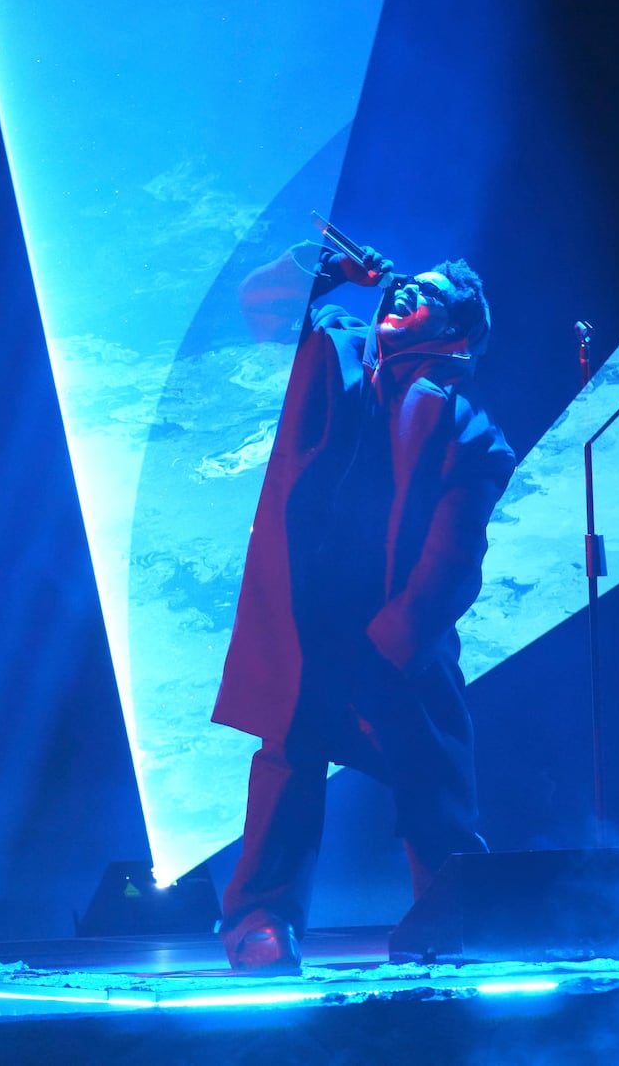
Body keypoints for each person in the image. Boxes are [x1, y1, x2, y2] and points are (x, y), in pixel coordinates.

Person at [212, 237, 516, 973]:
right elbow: (258, 306)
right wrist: (325, 266)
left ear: (457, 333)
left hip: (395, 627)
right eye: (406, 284)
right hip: (305, 611)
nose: (407, 291)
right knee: (288, 757)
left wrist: (396, 636)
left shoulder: (470, 432)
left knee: (431, 773)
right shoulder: (333, 349)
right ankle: (261, 920)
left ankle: (454, 912)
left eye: (431, 295)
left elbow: (453, 558)